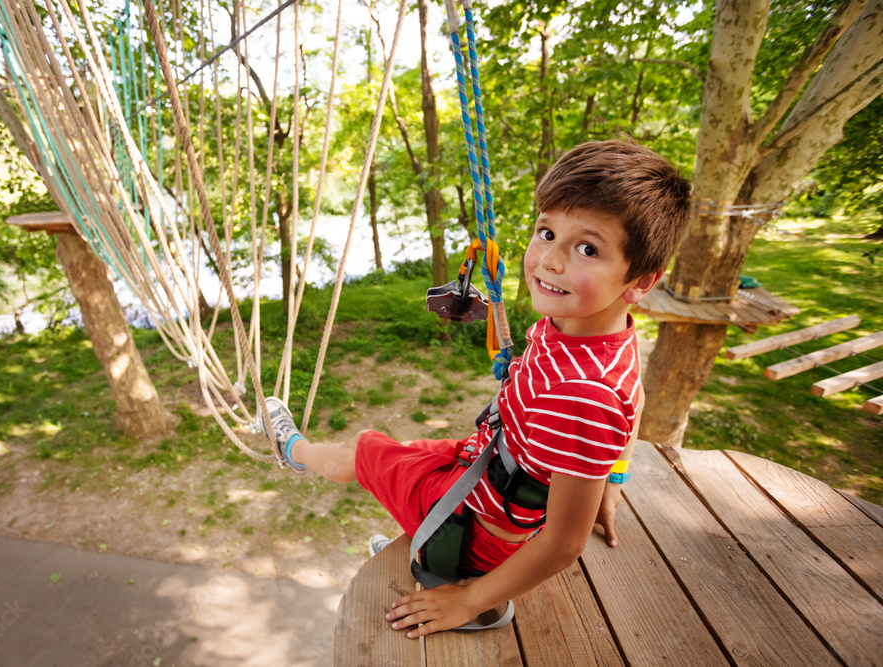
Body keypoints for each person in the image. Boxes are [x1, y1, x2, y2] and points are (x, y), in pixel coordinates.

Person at [264, 139, 692, 638]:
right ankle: (417, 538)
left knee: (364, 448)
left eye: (587, 248)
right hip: (486, 464)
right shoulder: (599, 335)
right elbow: (633, 404)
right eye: (547, 231)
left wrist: (469, 601)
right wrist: (609, 485)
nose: (549, 260)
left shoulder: (582, 393)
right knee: (406, 454)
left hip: (480, 529)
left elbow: (563, 543)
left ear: (640, 279)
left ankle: (292, 450)